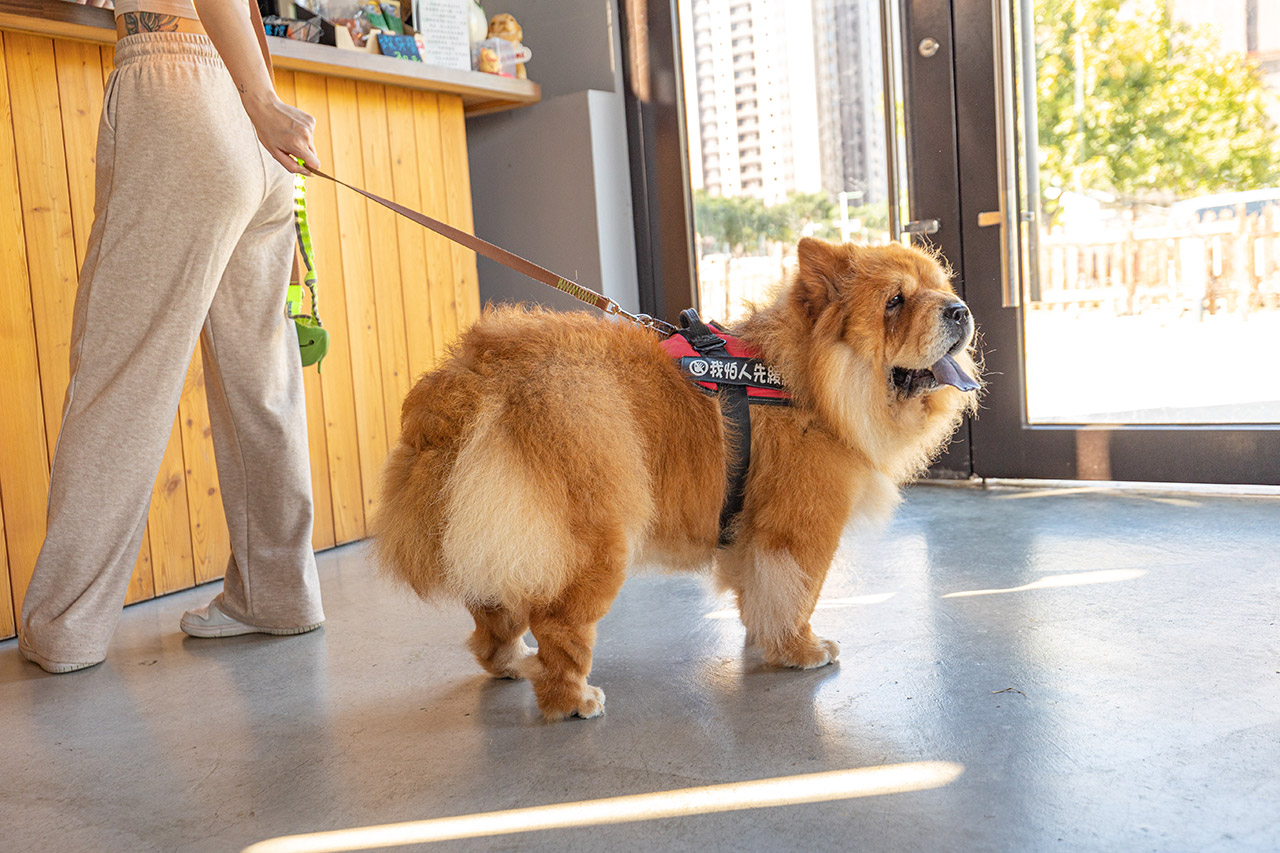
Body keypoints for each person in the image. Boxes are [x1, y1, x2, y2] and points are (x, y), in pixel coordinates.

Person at [17, 0, 326, 673]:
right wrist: (259, 101)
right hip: (244, 113)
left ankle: (65, 625)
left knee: (120, 373)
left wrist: (260, 100)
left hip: (182, 88)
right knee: (262, 381)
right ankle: (279, 595)